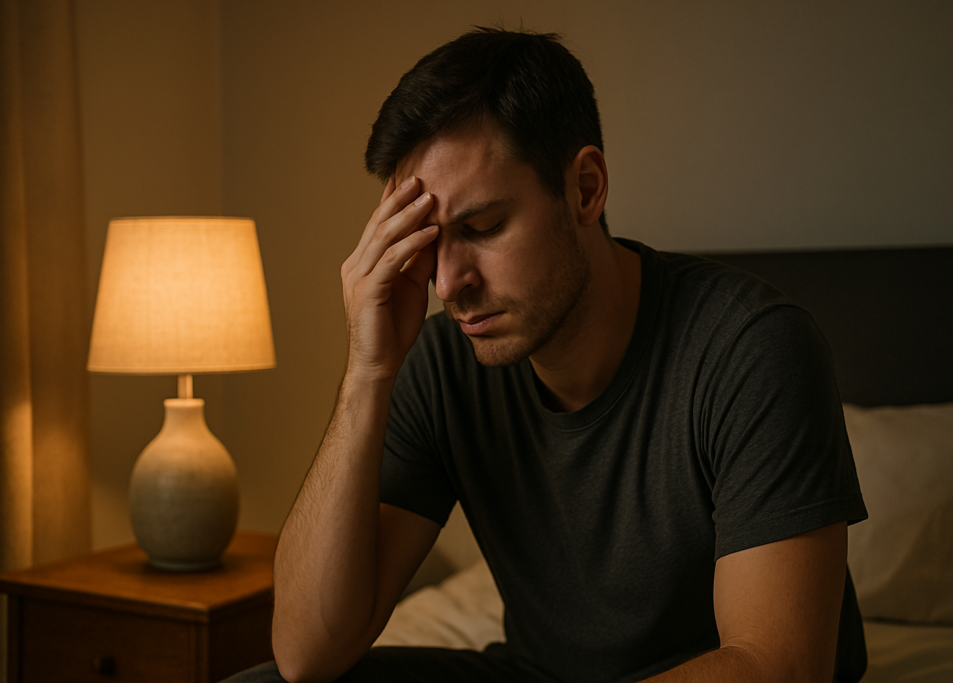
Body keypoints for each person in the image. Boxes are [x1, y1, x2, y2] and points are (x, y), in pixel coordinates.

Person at [229, 27, 868, 683]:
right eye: (426, 241)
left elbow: (777, 664)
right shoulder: (444, 364)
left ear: (586, 187)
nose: (448, 284)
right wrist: (367, 372)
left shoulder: (750, 347)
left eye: (481, 229)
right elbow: (308, 652)